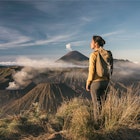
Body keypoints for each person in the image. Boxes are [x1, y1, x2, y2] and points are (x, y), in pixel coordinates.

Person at [86, 35, 113, 120]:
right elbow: (111, 68)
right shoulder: (108, 54)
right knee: (103, 104)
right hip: (106, 82)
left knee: (96, 105)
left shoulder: (93, 55)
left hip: (96, 83)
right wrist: (108, 79)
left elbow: (91, 71)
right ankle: (104, 123)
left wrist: (88, 83)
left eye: (91, 42)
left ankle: (97, 126)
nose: (90, 43)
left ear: (96, 43)